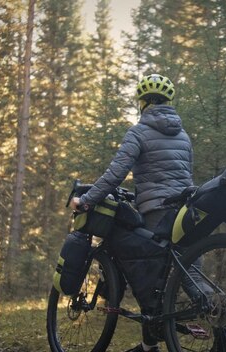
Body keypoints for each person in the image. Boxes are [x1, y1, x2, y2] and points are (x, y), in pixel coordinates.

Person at [70, 73, 192, 352]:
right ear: (168, 102)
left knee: (144, 276)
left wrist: (86, 200)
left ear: (143, 102)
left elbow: (115, 174)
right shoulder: (184, 136)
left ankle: (153, 343)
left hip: (156, 211)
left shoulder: (139, 132)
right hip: (183, 211)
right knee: (182, 275)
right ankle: (154, 346)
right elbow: (186, 176)